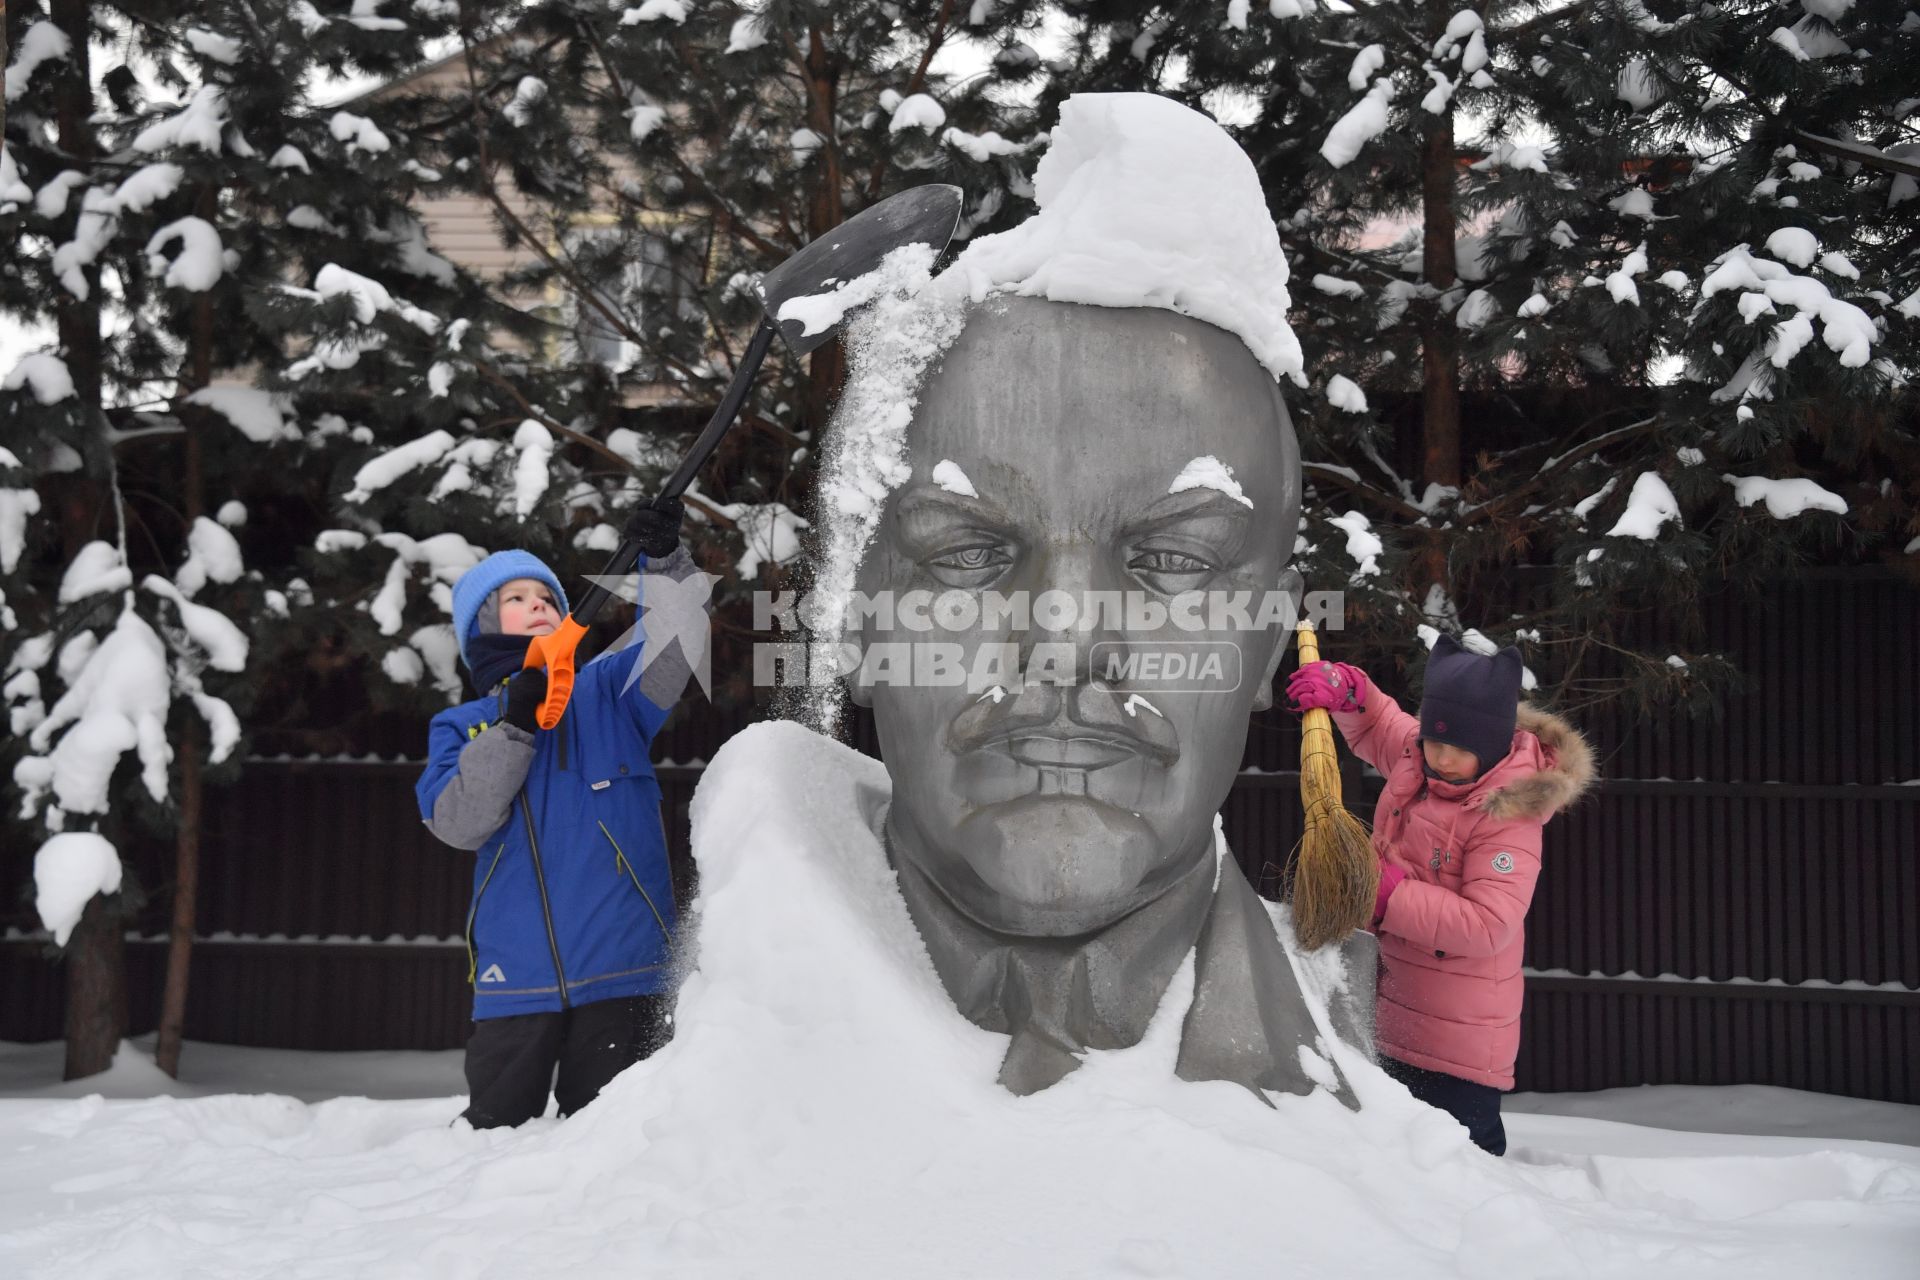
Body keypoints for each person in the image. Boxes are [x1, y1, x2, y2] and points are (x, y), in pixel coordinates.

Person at [416, 500, 694, 1128]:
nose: (539, 602)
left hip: (625, 967)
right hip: (515, 977)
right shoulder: (459, 728)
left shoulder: (609, 694)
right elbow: (459, 823)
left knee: (614, 1142)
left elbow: (677, 641)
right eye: (518, 598)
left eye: (547, 595)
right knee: (492, 1141)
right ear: (483, 625)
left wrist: (667, 562)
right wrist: (514, 726)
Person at [1285, 633, 1594, 1154]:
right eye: (1435, 742)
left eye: (1459, 749)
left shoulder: (1508, 816)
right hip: (1389, 1019)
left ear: (1493, 743)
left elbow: (1488, 924)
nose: (1443, 758)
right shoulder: (1422, 759)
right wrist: (1351, 692)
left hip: (1457, 1050)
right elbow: (1386, 726)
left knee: (1462, 1172)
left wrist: (1388, 895)